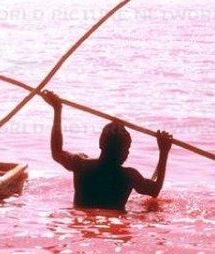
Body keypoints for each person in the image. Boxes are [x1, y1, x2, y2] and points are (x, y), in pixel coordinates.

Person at [40, 90, 173, 211]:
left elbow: (56, 152)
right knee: (152, 205)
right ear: (123, 152)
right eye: (126, 148)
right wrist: (164, 152)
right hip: (114, 227)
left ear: (101, 144)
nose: (128, 153)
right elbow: (155, 190)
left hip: (83, 226)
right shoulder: (129, 176)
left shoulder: (81, 164)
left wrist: (57, 110)